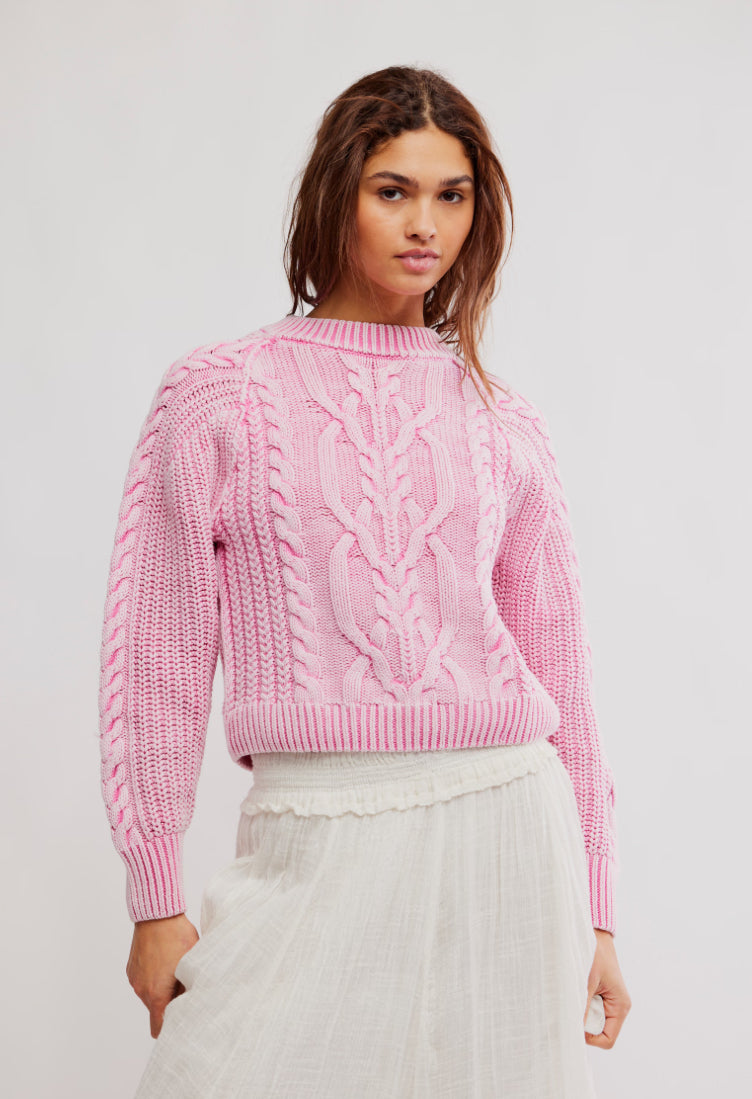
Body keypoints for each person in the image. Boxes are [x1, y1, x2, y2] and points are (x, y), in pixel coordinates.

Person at [98, 64, 631, 1097]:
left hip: (504, 827)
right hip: (316, 828)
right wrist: (154, 894)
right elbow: (156, 655)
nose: (424, 224)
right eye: (393, 190)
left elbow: (563, 668)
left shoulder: (503, 419)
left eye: (451, 195)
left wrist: (599, 911)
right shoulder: (220, 395)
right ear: (336, 193)